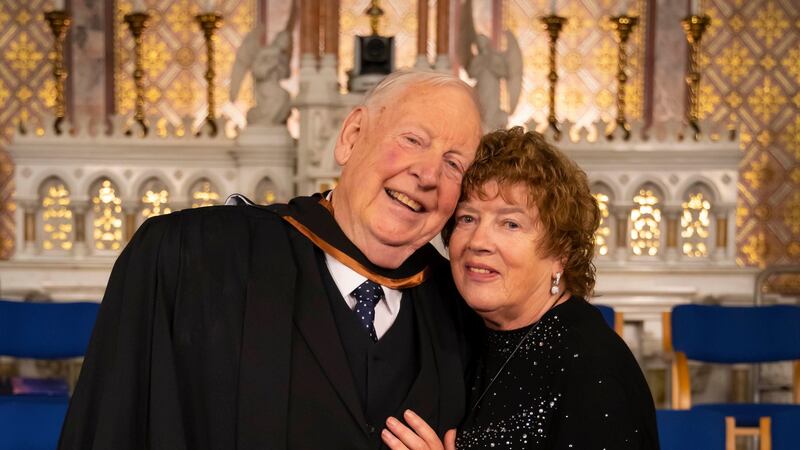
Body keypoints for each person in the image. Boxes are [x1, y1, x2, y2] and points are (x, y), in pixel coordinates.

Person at [58, 70, 483, 450]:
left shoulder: (462, 314)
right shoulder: (189, 260)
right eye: (413, 140)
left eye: (453, 164)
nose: (428, 176)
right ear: (352, 135)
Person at [381, 127, 659, 449]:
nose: (478, 242)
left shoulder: (592, 368)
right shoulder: (454, 330)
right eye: (467, 218)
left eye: (510, 223)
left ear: (560, 252)